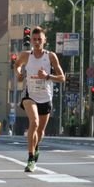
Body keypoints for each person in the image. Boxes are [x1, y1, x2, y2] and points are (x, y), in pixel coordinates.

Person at [14, 26, 65, 172]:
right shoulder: (26, 55)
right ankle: (30, 159)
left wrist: (48, 76)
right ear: (31, 40)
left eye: (39, 40)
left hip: (46, 97)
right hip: (30, 96)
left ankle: (35, 147)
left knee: (40, 131)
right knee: (34, 122)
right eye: (34, 40)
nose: (37, 42)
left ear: (44, 41)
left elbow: (62, 78)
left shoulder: (50, 56)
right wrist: (18, 73)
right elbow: (17, 65)